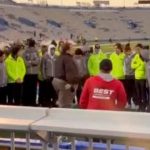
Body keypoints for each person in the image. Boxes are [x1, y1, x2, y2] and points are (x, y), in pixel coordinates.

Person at [52, 42, 80, 108]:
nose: (74, 49)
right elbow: (70, 72)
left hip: (57, 81)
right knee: (65, 105)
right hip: (65, 83)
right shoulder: (68, 59)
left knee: (62, 102)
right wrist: (70, 84)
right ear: (67, 50)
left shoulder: (60, 57)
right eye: (72, 48)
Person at [22, 38, 40, 106]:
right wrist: (31, 63)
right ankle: (28, 102)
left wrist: (30, 62)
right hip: (28, 72)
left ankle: (31, 102)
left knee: (32, 88)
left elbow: (38, 61)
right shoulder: (25, 52)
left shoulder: (36, 51)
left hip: (33, 73)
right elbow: (24, 62)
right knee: (29, 88)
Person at [131, 44, 147, 111]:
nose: (137, 50)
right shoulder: (136, 56)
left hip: (143, 78)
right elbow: (132, 66)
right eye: (136, 49)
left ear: (141, 49)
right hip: (137, 77)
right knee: (138, 93)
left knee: (143, 93)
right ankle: (140, 106)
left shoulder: (145, 56)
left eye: (138, 49)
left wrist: (138, 65)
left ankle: (144, 105)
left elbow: (145, 66)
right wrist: (139, 64)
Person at [124, 43, 137, 109]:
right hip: (127, 76)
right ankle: (129, 103)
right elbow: (124, 66)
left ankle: (134, 103)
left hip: (133, 76)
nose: (127, 52)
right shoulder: (125, 57)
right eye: (126, 51)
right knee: (128, 91)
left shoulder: (134, 56)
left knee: (133, 90)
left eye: (129, 50)